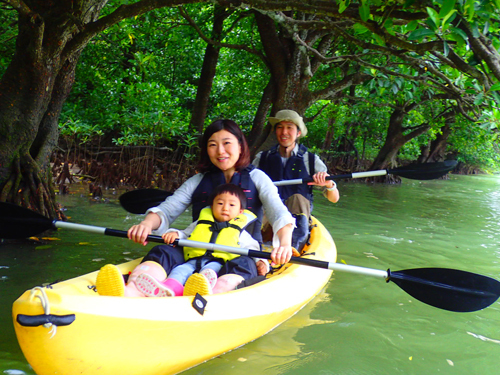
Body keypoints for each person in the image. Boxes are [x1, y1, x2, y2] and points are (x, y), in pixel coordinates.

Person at [96, 119, 294, 297]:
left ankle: (206, 297)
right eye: (212, 145)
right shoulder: (198, 181)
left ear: (241, 146)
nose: (220, 151)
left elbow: (278, 212)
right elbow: (168, 209)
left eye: (227, 143)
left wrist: (284, 244)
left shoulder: (257, 178)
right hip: (195, 250)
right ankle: (131, 291)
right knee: (163, 251)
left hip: (240, 253)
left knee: (242, 265)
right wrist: (147, 224)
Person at [133, 184, 268, 297]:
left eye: (231, 205)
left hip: (217, 264)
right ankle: (168, 288)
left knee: (210, 271)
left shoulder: (241, 232)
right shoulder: (201, 223)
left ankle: (204, 289)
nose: (225, 208)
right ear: (212, 206)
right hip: (192, 261)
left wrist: (262, 262)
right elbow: (186, 235)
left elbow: (253, 249)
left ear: (240, 212)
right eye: (220, 203)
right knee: (179, 271)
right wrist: (174, 234)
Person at [252, 109, 339, 250]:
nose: (284, 132)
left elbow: (334, 198)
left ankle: (293, 247)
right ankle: (256, 244)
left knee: (297, 198)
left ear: (298, 133)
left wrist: (328, 184)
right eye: (280, 127)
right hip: (268, 214)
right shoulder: (262, 158)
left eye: (289, 128)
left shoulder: (311, 161)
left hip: (296, 218)